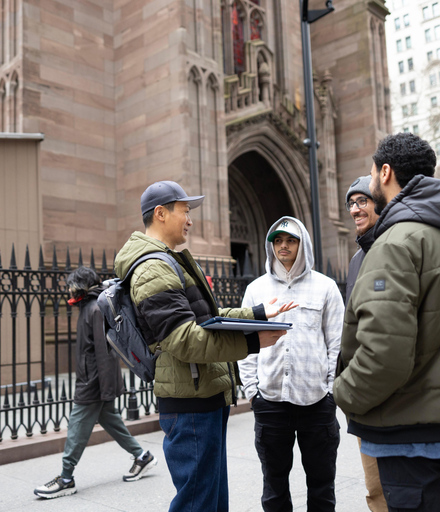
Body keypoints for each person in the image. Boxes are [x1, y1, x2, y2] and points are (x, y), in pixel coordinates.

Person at [334, 133, 440, 512]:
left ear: (385, 172)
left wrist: (344, 393)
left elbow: (383, 353)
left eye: (373, 172)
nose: (371, 180)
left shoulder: (396, 242)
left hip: (413, 436)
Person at [114, 180, 295, 512]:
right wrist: (253, 341)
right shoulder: (152, 267)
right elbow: (184, 339)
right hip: (190, 404)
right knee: (197, 503)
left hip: (203, 396)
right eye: (185, 211)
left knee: (210, 501)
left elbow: (207, 317)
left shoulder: (167, 260)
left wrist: (257, 314)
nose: (190, 219)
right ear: (160, 214)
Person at [240, 216, 344, 512]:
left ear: (303, 245)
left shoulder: (325, 287)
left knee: (322, 486)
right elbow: (245, 345)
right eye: (277, 241)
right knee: (274, 488)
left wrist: (330, 391)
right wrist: (252, 392)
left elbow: (337, 343)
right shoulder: (256, 289)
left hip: (316, 403)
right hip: (271, 402)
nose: (283, 246)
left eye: (290, 240)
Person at [34, 267, 157, 499]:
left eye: (72, 285)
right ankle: (142, 457)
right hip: (93, 380)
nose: (68, 289)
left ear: (82, 287)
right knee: (111, 421)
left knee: (76, 427)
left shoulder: (94, 309)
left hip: (93, 383)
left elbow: (105, 353)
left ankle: (66, 478)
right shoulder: (88, 308)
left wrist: (106, 388)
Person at [342, 176, 387, 512]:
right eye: (351, 204)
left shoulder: (394, 245)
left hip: (398, 390)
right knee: (375, 488)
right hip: (365, 395)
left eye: (362, 202)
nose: (356, 209)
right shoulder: (356, 259)